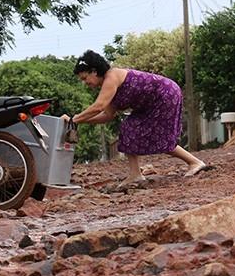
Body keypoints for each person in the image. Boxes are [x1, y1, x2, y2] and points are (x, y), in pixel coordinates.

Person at [63, 50, 207, 184]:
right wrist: (79, 121)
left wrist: (73, 119)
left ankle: (194, 162)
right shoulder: (107, 85)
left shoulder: (111, 77)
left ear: (94, 71)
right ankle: (135, 174)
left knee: (157, 136)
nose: (85, 83)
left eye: (85, 78)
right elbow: (107, 115)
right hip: (152, 103)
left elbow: (99, 106)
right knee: (130, 128)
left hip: (165, 95)